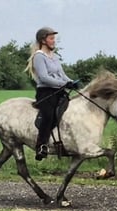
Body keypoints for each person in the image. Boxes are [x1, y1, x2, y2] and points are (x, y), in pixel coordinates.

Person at [25, 27, 78, 161]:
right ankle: (41, 145)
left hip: (59, 91)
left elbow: (62, 75)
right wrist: (63, 84)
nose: (54, 41)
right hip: (46, 92)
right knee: (48, 115)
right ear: (43, 40)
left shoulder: (55, 56)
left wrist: (71, 82)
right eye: (51, 38)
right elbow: (44, 78)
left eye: (54, 38)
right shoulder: (38, 56)